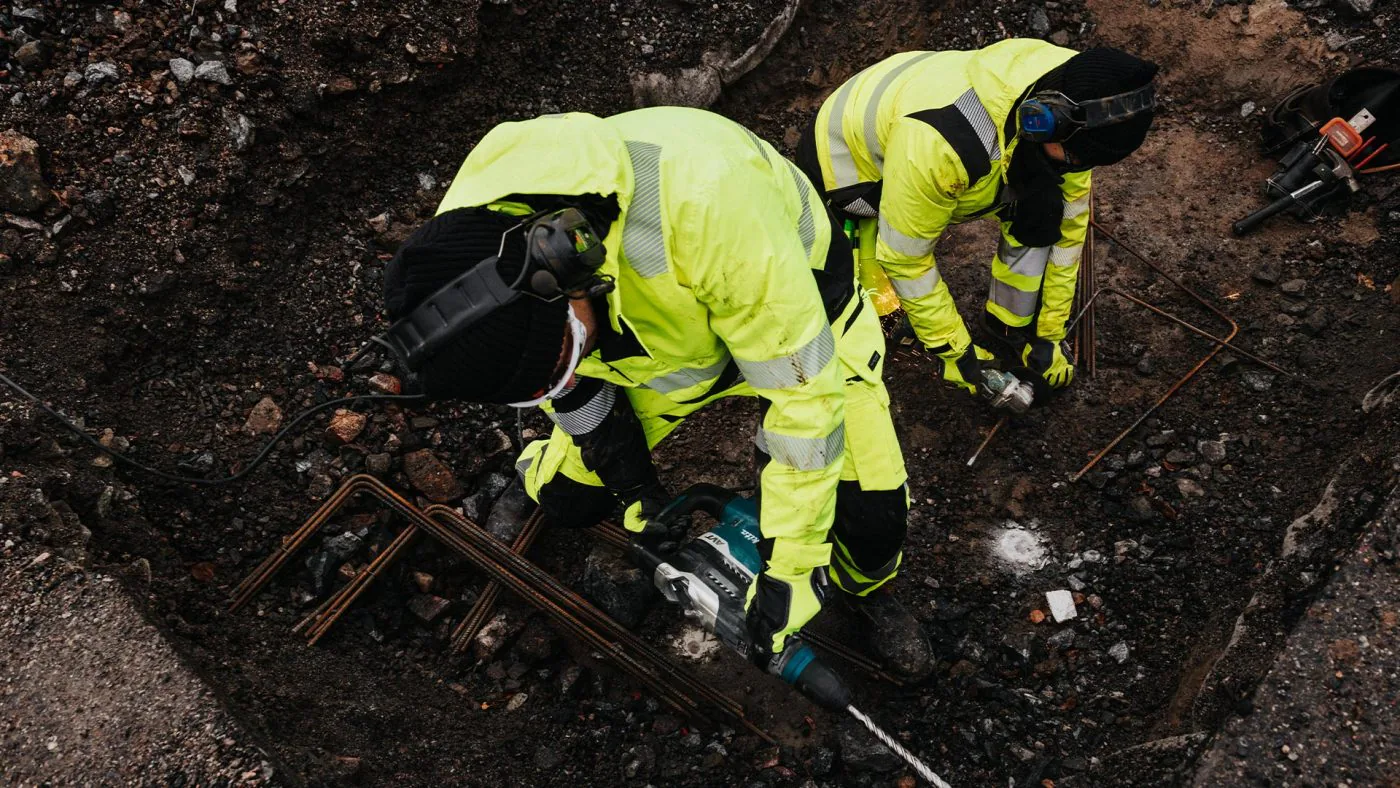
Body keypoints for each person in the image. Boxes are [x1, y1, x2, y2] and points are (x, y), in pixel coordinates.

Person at [381, 107, 931, 677]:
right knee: (569, 498)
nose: (564, 379)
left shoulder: (709, 205)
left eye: (563, 360)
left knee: (872, 521)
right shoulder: (462, 251)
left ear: (566, 273)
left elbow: (806, 402)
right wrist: (634, 488)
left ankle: (867, 592)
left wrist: (791, 569)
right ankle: (537, 473)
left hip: (806, 332)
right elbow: (568, 386)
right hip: (653, 354)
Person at [795, 40, 1159, 397]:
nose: (1076, 168)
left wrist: (1049, 335)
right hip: (850, 167)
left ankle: (1008, 323)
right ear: (1044, 120)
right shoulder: (942, 143)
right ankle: (887, 305)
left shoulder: (1086, 94)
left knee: (1043, 209)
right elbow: (907, 260)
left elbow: (1067, 231)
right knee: (872, 293)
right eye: (1073, 158)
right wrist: (961, 358)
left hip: (923, 127)